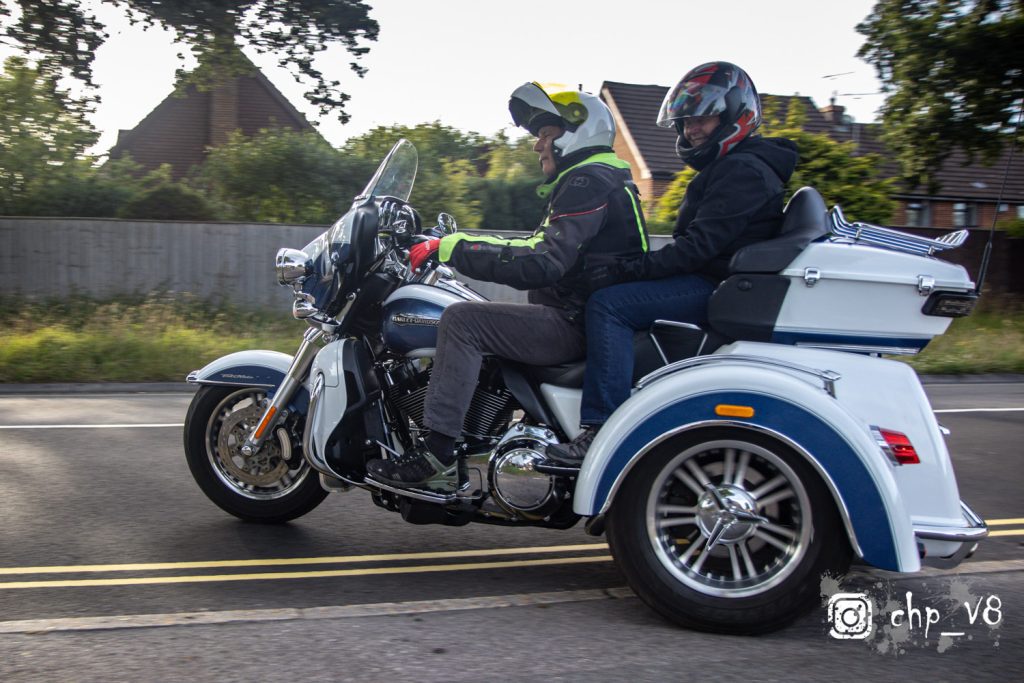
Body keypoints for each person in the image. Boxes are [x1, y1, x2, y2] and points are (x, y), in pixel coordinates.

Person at [366, 82, 649, 492]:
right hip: (583, 317)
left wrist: (450, 248)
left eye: (546, 135)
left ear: (576, 132)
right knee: (477, 311)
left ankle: (436, 456)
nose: (538, 146)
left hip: (575, 322)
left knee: (463, 321)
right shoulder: (600, 179)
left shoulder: (589, 181)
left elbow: (542, 259)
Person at [546, 61, 799, 464]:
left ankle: (599, 429)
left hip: (716, 284)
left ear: (737, 114)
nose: (690, 130)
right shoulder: (738, 165)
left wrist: (624, 270)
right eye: (685, 122)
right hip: (719, 278)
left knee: (609, 304)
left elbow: (695, 249)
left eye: (702, 118)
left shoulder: (744, 170)